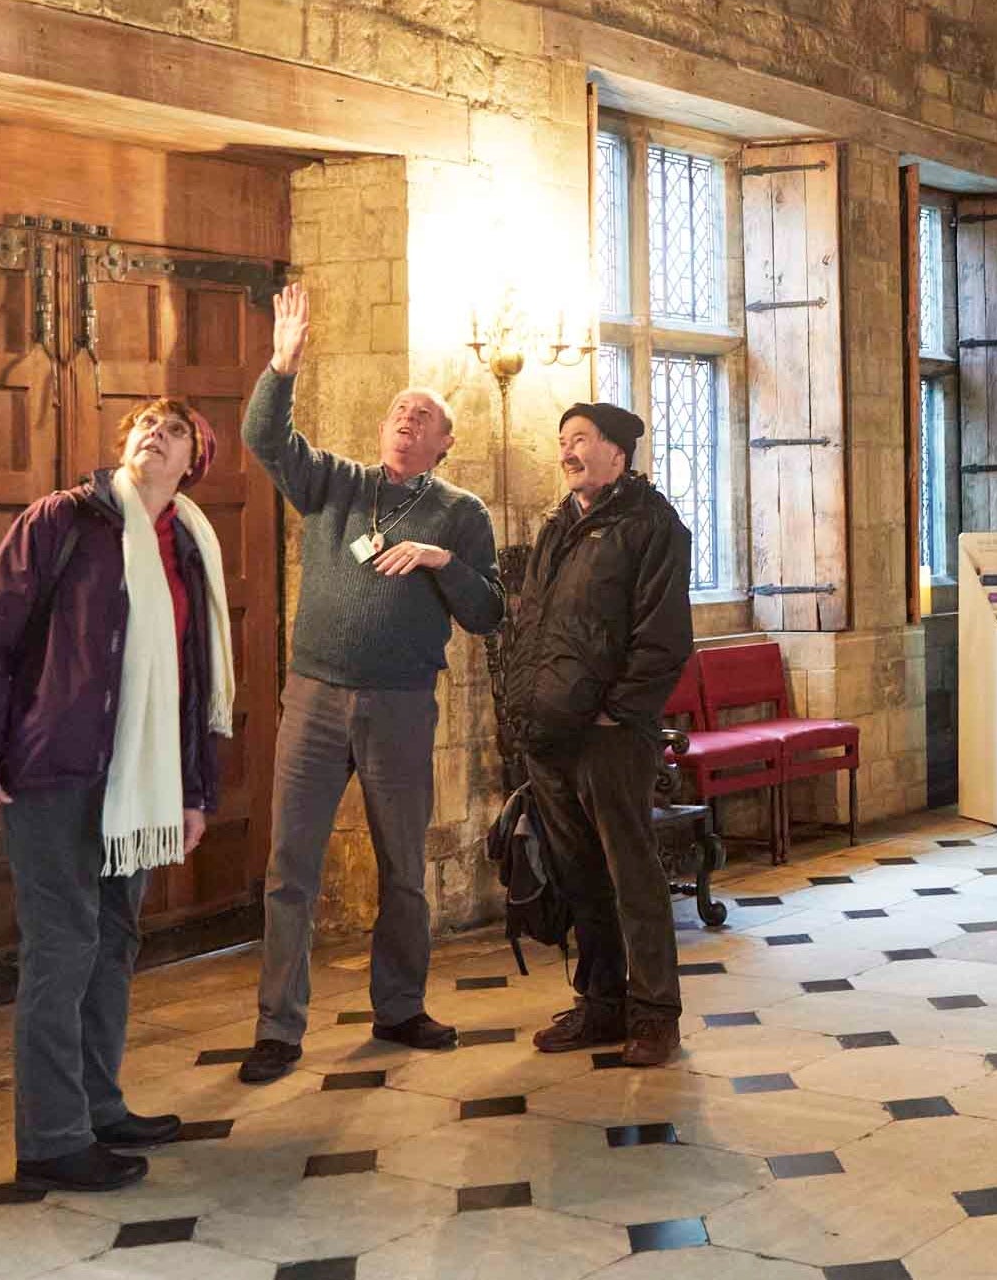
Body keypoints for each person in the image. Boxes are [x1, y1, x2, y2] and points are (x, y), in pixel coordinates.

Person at [0, 400, 234, 1191]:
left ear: (193, 461)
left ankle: (98, 1105)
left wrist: (196, 790)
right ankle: (51, 1137)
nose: (154, 436)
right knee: (62, 947)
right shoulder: (62, 521)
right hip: (55, 773)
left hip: (139, 781)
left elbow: (195, 684)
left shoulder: (191, 547)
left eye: (174, 431)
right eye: (145, 424)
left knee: (113, 941)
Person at [237, 283, 504, 1085]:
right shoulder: (336, 484)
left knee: (400, 869)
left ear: (445, 442)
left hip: (397, 706)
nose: (405, 420)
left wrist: (442, 561)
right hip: (314, 700)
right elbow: (264, 439)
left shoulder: (460, 511)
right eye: (397, 410)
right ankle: (279, 1028)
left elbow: (490, 611)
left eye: (422, 416)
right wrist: (282, 366)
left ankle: (400, 1008)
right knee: (291, 868)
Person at [508, 402, 695, 1067]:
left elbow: (665, 636)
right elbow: (534, 625)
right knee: (579, 876)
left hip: (612, 735)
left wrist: (618, 711)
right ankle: (601, 1003)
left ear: (618, 451)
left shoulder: (653, 527)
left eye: (580, 440)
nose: (567, 452)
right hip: (552, 731)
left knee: (631, 875)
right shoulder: (559, 526)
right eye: (562, 441)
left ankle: (654, 1014)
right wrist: (526, 710)